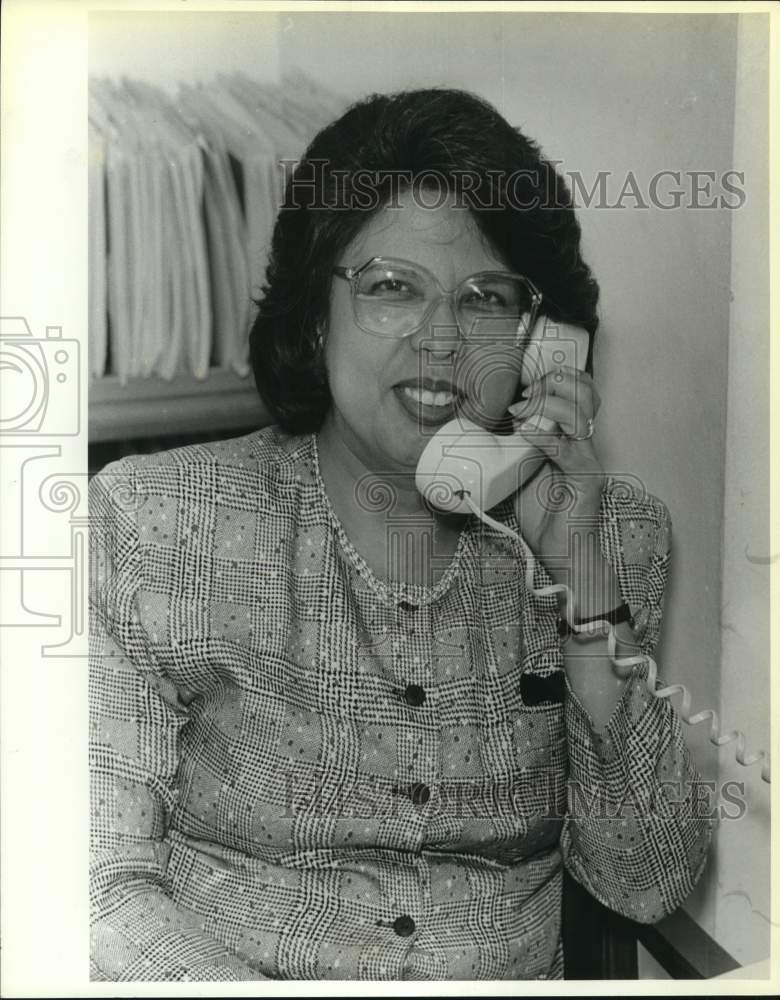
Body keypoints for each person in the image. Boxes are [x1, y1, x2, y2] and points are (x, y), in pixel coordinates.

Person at [89, 88, 712, 981]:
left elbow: (645, 885)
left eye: (487, 297)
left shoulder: (616, 540)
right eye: (390, 288)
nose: (442, 340)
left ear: (544, 341)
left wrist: (581, 583)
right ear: (315, 312)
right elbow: (98, 888)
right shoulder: (152, 524)